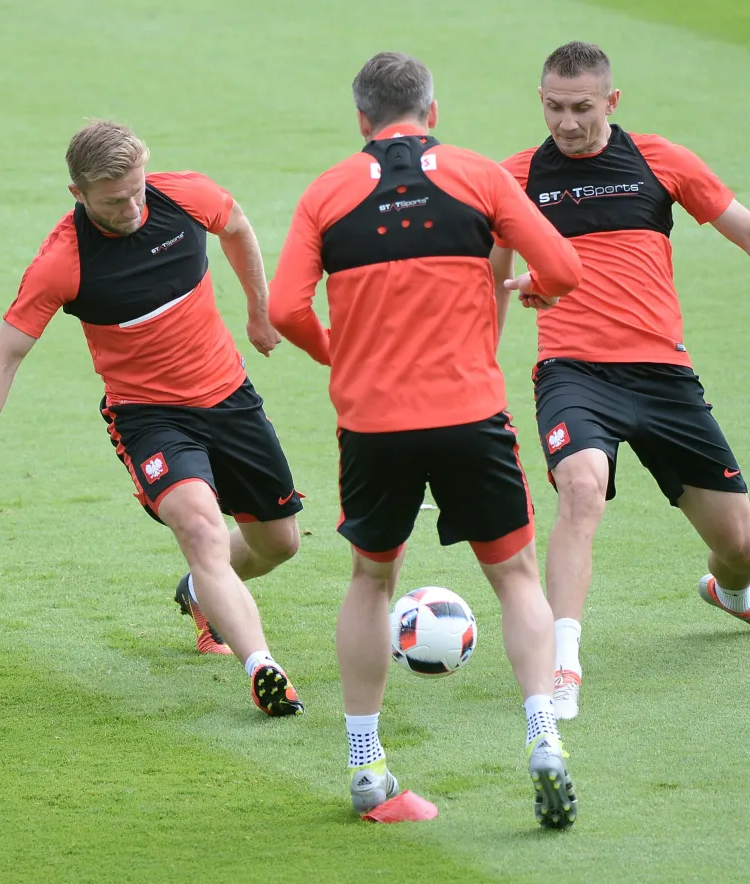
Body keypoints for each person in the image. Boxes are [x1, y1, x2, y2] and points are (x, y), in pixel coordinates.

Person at [269, 53, 584, 827]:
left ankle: (366, 765)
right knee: (516, 577)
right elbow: (563, 268)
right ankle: (544, 737)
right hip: (471, 416)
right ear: (432, 113)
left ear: (362, 122)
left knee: (371, 581)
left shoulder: (326, 193)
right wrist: (539, 289)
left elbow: (283, 310)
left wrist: (336, 352)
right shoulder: (478, 175)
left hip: (373, 425)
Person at [491, 42, 750, 721]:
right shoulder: (517, 179)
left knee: (742, 549)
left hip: (664, 380)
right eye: (555, 107)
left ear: (611, 103)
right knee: (580, 489)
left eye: (582, 108)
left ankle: (730, 595)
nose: (566, 123)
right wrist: (478, 356)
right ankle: (562, 663)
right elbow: (491, 279)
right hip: (573, 374)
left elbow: (747, 230)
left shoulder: (659, 160)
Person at [0, 120, 306, 717]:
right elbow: (2, 358)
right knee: (200, 530)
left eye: (138, 189)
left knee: (280, 543)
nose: (134, 206)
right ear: (78, 195)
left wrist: (258, 313)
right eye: (115, 200)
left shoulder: (185, 195)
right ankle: (263, 666)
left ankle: (201, 593)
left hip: (229, 396)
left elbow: (237, 227)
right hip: (150, 417)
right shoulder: (62, 263)